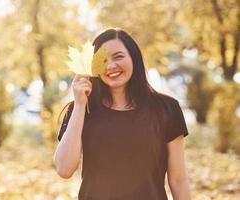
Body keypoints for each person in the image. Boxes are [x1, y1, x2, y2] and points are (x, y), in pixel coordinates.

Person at [53, 28, 191, 200]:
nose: (110, 66)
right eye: (102, 60)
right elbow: (64, 169)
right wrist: (80, 105)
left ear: (134, 58)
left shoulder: (166, 108)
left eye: (118, 56)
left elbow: (178, 180)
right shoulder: (82, 109)